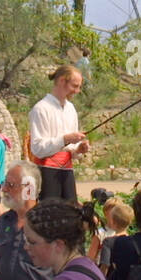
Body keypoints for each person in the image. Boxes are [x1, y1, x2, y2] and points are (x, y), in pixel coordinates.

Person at [29, 64, 89, 202]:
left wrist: (79, 149)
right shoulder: (41, 109)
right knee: (50, 217)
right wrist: (65, 139)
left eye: (79, 87)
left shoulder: (71, 109)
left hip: (67, 172)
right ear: (62, 81)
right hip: (46, 172)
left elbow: (71, 149)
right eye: (74, 86)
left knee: (70, 213)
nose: (77, 91)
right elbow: (38, 148)